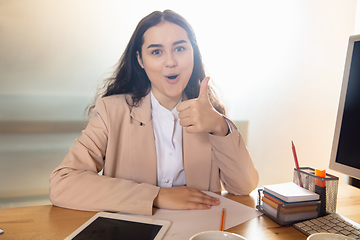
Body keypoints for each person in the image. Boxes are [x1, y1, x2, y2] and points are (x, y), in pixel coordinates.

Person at [49, 9, 258, 216]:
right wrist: (157, 196)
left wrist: (220, 126)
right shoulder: (111, 112)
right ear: (140, 60)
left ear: (193, 53)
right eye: (156, 52)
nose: (171, 62)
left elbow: (243, 187)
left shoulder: (209, 115)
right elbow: (62, 183)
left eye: (180, 49)